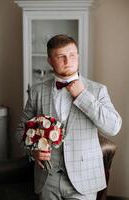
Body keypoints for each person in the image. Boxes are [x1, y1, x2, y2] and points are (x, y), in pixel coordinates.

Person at [17, 34, 122, 200]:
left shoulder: (97, 90)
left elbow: (113, 127)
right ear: (50, 60)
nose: (68, 61)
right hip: (47, 179)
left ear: (78, 56)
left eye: (72, 55)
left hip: (84, 181)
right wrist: (33, 151)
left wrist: (82, 95)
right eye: (61, 56)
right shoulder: (37, 91)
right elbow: (21, 129)